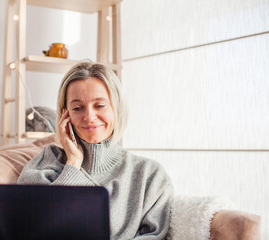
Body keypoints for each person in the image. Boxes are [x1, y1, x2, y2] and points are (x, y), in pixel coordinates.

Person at [17, 61, 174, 239]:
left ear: (117, 108)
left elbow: (155, 235)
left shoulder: (149, 174)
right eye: (77, 108)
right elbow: (35, 228)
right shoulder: (45, 163)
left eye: (99, 105)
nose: (89, 117)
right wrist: (73, 164)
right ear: (65, 114)